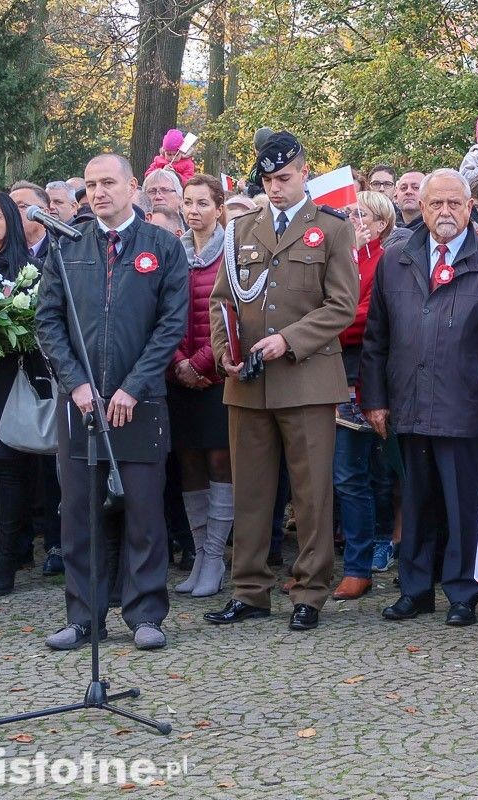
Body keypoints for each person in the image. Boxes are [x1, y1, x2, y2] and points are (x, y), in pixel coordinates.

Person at [203, 131, 359, 633]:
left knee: (312, 494)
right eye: (268, 180)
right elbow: (222, 302)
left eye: (284, 178)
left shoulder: (332, 229)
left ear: (305, 172)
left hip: (307, 379)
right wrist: (226, 351)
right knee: (250, 491)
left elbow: (341, 306)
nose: (275, 188)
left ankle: (310, 592)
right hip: (247, 382)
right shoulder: (241, 228)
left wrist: (288, 340)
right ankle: (249, 590)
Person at [36, 153, 189, 651]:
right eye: (91, 185)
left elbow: (171, 325)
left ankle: (146, 614)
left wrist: (134, 387)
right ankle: (84, 617)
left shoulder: (163, 247)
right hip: (81, 404)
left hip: (139, 403)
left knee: (144, 513)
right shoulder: (68, 245)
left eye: (108, 183)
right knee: (79, 516)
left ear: (132, 186)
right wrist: (76, 383)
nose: (98, 192)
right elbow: (49, 322)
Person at [360, 168, 478, 627]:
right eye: (436, 204)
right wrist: (376, 399)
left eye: (454, 204)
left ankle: (463, 592)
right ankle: (415, 590)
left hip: (465, 405)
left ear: (471, 208)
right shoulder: (395, 259)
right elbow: (376, 337)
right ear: (421, 208)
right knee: (416, 501)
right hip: (407, 402)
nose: (445, 212)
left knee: (464, 506)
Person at [330, 189, 400, 601]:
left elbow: (364, 319)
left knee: (352, 473)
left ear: (381, 225)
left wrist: (318, 325)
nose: (353, 221)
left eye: (363, 215)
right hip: (318, 372)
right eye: (348, 213)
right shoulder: (332, 257)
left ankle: (359, 565)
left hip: (359, 375)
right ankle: (316, 564)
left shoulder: (386, 262)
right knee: (321, 476)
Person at [169, 174, 233, 598]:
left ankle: (215, 557)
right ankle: (197, 552)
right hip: (178, 376)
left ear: (218, 208)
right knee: (188, 464)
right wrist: (177, 363)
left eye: (202, 203)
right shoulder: (173, 252)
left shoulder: (231, 252)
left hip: (218, 375)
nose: (194, 210)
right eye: (188, 203)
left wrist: (201, 364)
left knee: (219, 464)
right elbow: (162, 312)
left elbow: (233, 312)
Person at [0, 191, 42, 597]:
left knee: (8, 473)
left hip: (9, 385)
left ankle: (6, 564)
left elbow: (39, 330)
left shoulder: (28, 271)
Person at [9, 181, 51, 260]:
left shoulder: (61, 249)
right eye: (10, 208)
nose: (13, 213)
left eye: (21, 206)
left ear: (45, 213)